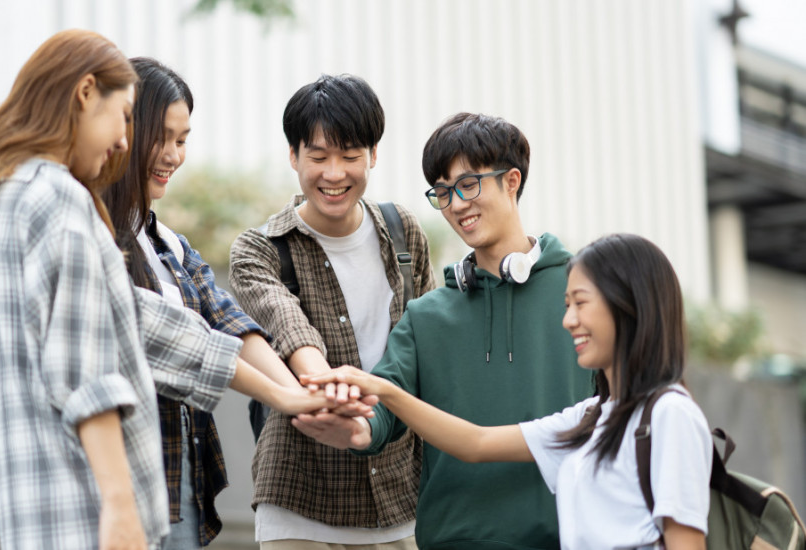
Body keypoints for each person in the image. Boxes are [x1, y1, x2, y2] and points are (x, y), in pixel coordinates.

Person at [0, 31, 333, 550]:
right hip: (89, 505)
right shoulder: (60, 201)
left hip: (50, 507)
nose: (122, 141)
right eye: (124, 116)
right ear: (86, 93)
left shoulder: (24, 198)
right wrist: (119, 504)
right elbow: (88, 375)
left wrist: (290, 393)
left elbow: (157, 324)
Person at [292, 112, 595, 549]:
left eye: (468, 184)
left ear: (512, 181)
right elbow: (384, 400)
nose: (456, 204)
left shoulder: (584, 294)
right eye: (443, 191)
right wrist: (358, 429)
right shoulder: (425, 317)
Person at [301, 233, 714, 550]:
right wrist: (383, 391)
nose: (568, 320)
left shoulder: (669, 415)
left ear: (630, 304)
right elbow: (475, 442)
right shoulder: (592, 417)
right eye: (566, 304)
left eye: (580, 303)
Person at [101, 57, 326, 549]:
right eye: (162, 137)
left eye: (182, 140)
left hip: (181, 481)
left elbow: (232, 325)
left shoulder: (171, 247)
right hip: (115, 476)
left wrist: (306, 397)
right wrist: (289, 398)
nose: (173, 155)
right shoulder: (92, 236)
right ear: (122, 132)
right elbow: (166, 338)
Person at [228, 74, 435, 548]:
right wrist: (331, 389)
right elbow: (289, 326)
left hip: (401, 495)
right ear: (293, 156)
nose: (335, 173)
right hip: (300, 497)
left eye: (350, 156)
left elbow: (425, 344)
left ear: (373, 155)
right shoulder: (260, 249)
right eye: (319, 157)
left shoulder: (404, 233)